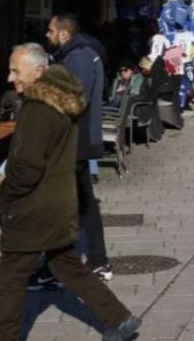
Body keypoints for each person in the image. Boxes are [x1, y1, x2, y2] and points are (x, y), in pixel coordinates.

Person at [0, 43, 140, 341]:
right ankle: (119, 318)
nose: (10, 78)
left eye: (15, 71)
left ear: (38, 72)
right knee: (67, 265)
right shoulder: (60, 101)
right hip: (58, 202)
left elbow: (28, 167)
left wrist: (6, 193)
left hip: (34, 208)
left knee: (11, 276)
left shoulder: (38, 109)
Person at [46, 14, 112, 281]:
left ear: (64, 34)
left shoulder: (80, 56)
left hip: (76, 138)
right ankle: (94, 261)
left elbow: (74, 99)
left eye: (50, 30)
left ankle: (57, 268)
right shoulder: (75, 55)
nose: (46, 34)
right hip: (76, 138)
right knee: (79, 203)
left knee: (64, 204)